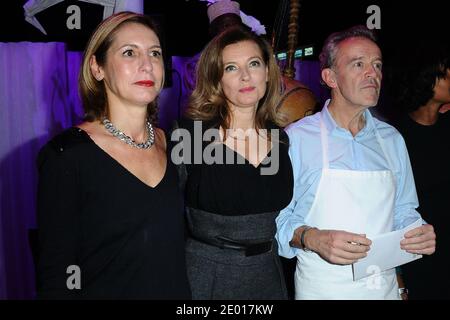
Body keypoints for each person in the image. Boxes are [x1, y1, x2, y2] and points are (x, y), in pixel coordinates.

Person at [36, 11, 191, 299]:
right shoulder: (68, 155)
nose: (147, 65)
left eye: (155, 53)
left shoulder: (169, 143)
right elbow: (58, 274)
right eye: (129, 53)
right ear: (97, 67)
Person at [275, 25, 436, 300]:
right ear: (330, 77)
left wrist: (416, 231)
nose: (372, 73)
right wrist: (313, 238)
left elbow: (403, 208)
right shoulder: (296, 139)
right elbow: (275, 220)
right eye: (358, 64)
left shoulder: (392, 139)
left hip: (384, 290)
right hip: (322, 291)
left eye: (377, 65)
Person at [172, 26, 293, 299]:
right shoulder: (190, 136)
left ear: (267, 73)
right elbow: (161, 213)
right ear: (216, 79)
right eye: (231, 68)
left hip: (267, 276)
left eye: (254, 64)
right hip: (207, 277)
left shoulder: (281, 138)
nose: (246, 76)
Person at [390, 45, 450, 299]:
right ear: (427, 78)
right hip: (421, 255)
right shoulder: (394, 137)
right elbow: (389, 212)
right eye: (447, 73)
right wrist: (398, 278)